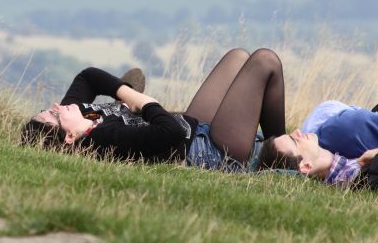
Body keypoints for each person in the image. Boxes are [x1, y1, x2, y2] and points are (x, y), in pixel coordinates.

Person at [21, 48, 287, 172]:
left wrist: (124, 94)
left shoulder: (76, 111)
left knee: (238, 57)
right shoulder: (101, 141)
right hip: (210, 152)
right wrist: (142, 103)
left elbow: (88, 77)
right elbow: (168, 132)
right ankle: (282, 153)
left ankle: (278, 148)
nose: (57, 106)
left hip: (194, 127)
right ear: (70, 137)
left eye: (49, 108)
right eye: (54, 115)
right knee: (265, 61)